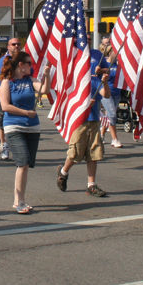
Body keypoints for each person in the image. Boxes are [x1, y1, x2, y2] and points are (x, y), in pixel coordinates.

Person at [0, 52, 47, 214]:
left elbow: (44, 89)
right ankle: (18, 201)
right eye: (28, 63)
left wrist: (46, 76)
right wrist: (25, 113)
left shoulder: (30, 80)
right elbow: (5, 106)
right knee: (23, 162)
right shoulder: (7, 83)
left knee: (27, 165)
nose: (31, 66)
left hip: (32, 128)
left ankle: (21, 198)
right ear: (21, 65)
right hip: (14, 126)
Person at [55, 65, 111, 197]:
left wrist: (105, 83)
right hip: (79, 121)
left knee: (94, 152)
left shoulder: (95, 80)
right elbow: (69, 99)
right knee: (76, 152)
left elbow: (106, 95)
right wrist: (84, 104)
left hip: (94, 120)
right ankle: (63, 172)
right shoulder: (75, 81)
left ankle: (91, 184)